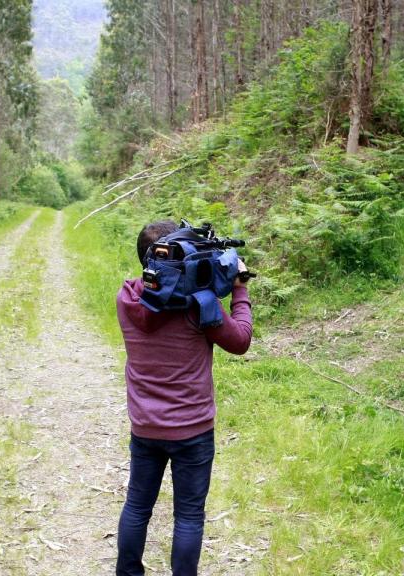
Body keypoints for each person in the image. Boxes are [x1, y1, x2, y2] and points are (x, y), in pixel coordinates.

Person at [115, 220, 253, 576]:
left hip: (145, 426)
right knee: (189, 516)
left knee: (137, 507)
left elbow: (159, 300)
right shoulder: (200, 305)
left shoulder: (127, 298)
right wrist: (239, 290)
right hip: (193, 431)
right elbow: (240, 340)